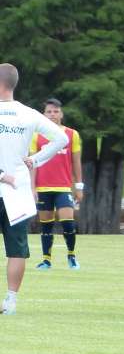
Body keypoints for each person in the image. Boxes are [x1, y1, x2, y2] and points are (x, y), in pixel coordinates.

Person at [0, 64, 69, 315]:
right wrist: (36, 160)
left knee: (16, 247)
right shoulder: (28, 114)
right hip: (17, 190)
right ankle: (11, 301)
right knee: (17, 248)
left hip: (5, 184)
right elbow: (62, 139)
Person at [30, 98, 83, 270]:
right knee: (46, 225)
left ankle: (72, 256)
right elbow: (32, 163)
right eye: (49, 111)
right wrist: (32, 188)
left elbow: (76, 162)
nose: (52, 114)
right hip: (43, 187)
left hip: (63, 187)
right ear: (43, 114)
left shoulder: (71, 134)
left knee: (68, 221)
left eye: (56, 111)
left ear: (61, 114)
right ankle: (46, 259)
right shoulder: (36, 135)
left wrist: (79, 186)